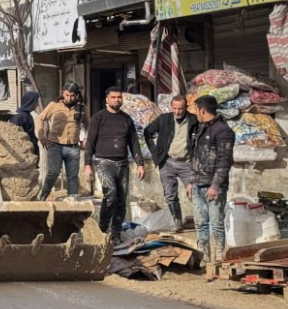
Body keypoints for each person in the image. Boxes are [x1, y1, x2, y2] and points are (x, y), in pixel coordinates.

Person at [84, 87, 145, 244]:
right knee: (110, 194)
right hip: (104, 163)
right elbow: (90, 142)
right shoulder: (98, 118)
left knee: (121, 200)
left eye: (119, 97)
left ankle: (116, 233)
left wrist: (140, 164)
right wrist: (87, 164)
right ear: (107, 99)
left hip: (123, 164)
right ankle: (103, 229)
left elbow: (134, 142)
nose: (117, 100)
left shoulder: (126, 119)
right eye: (114, 97)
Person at [189, 95, 235, 263]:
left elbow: (225, 160)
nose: (195, 114)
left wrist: (215, 185)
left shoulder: (223, 130)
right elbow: (195, 156)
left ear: (202, 110)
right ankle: (204, 259)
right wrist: (190, 181)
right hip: (197, 183)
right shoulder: (200, 128)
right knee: (200, 223)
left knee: (216, 223)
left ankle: (219, 259)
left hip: (214, 186)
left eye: (196, 110)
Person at [144, 95, 198, 230]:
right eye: (175, 108)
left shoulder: (194, 121)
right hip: (167, 162)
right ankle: (177, 222)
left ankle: (202, 222)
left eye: (181, 109)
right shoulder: (164, 119)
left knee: (195, 193)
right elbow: (147, 132)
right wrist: (156, 151)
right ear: (171, 107)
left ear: (186, 107)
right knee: (170, 195)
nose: (178, 111)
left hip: (186, 163)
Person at [37, 82, 86, 200]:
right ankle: (44, 195)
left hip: (73, 146)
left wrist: (85, 138)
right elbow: (40, 119)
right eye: (67, 95)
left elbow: (87, 124)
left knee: (73, 176)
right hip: (55, 145)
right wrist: (41, 136)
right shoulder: (53, 106)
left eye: (72, 95)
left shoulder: (81, 108)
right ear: (62, 94)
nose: (69, 98)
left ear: (77, 96)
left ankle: (72, 200)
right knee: (53, 172)